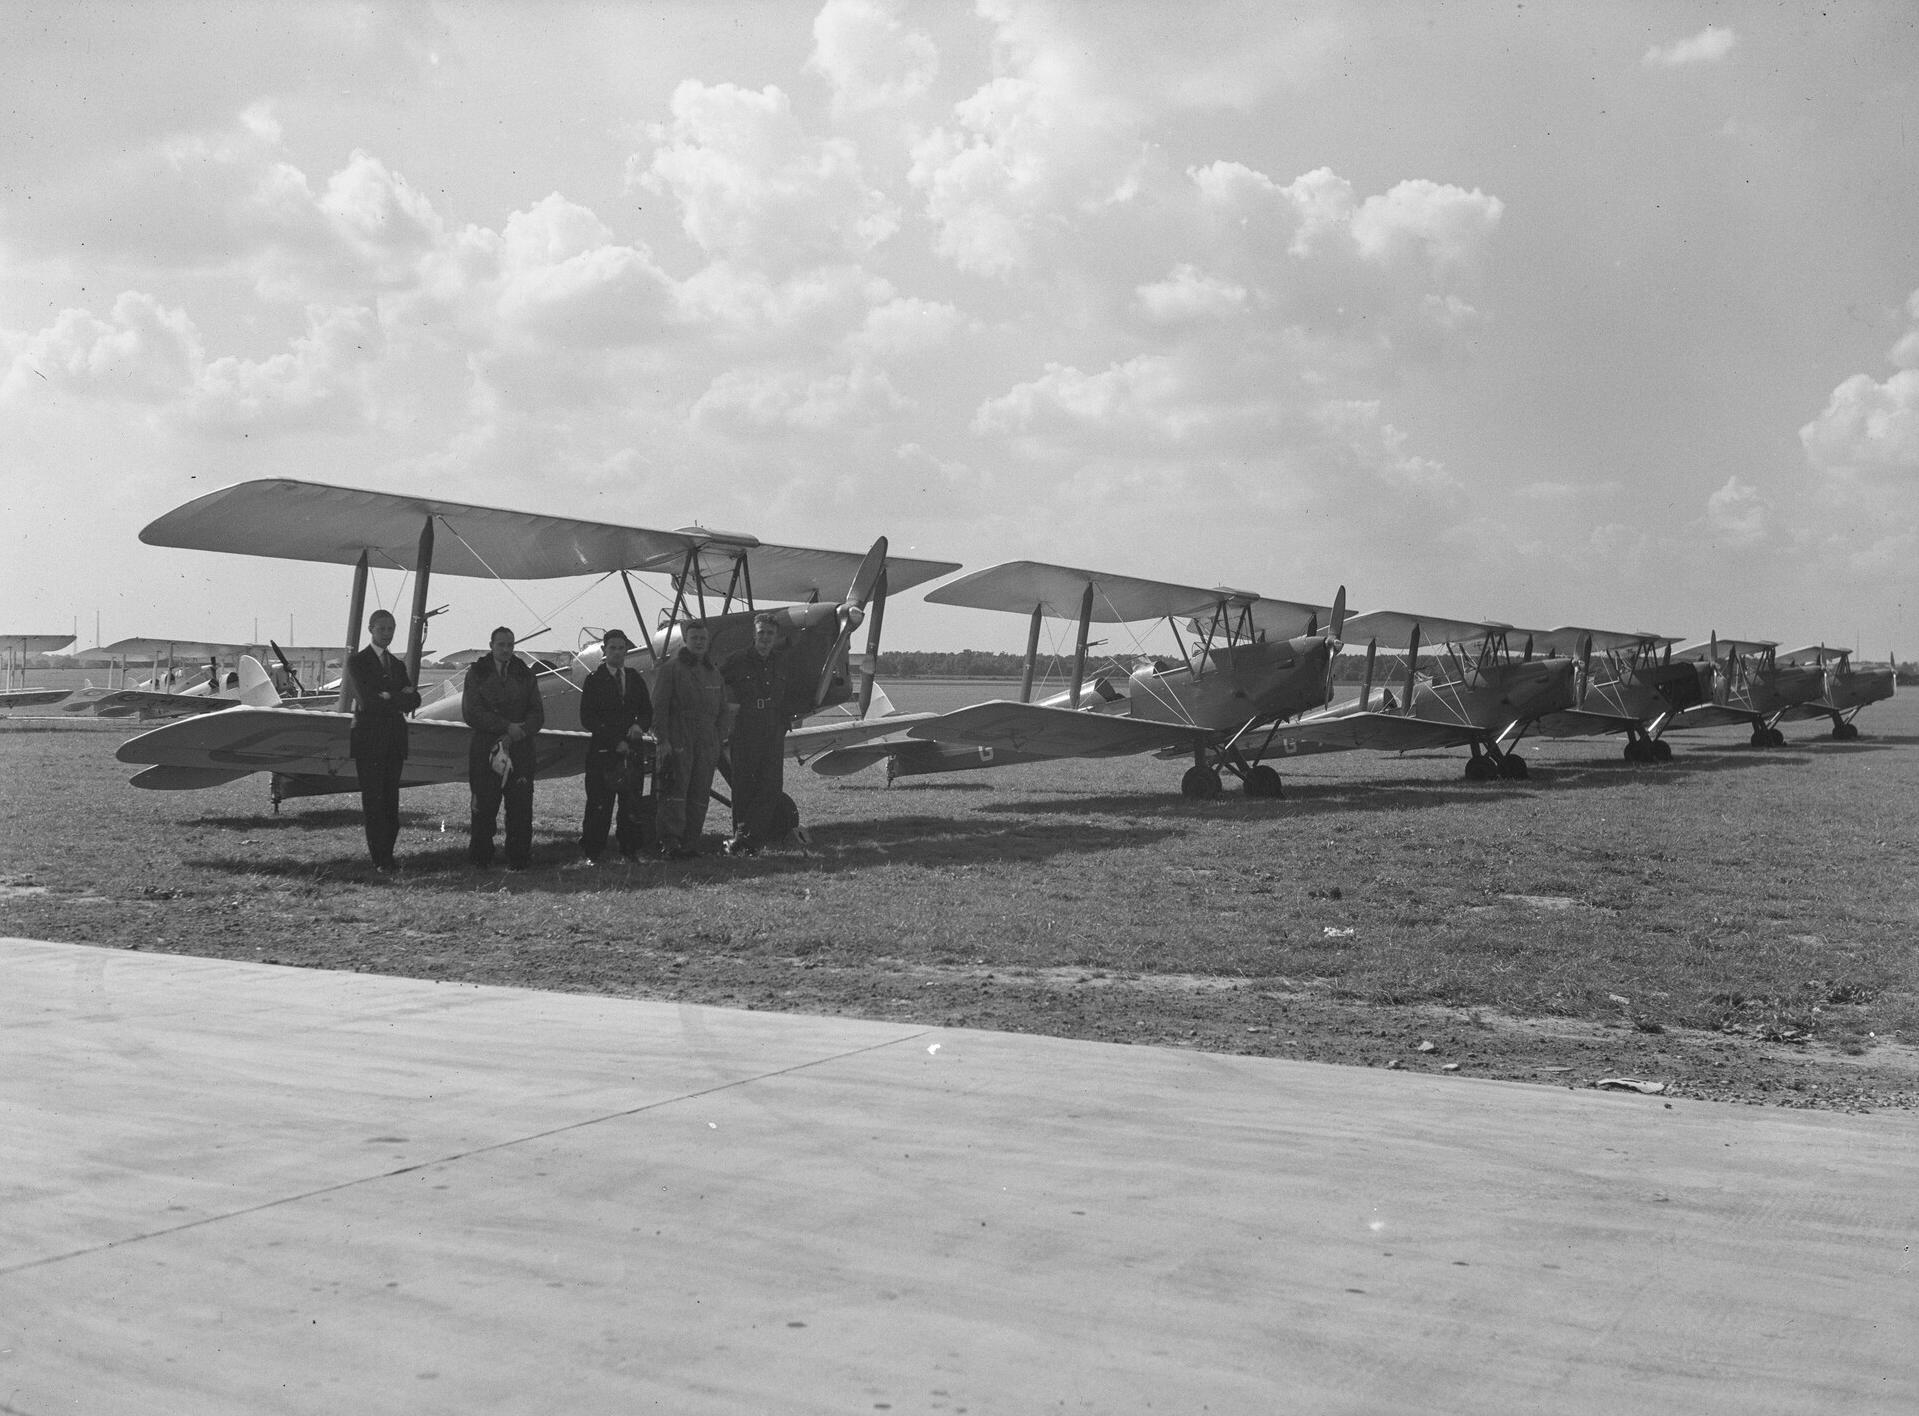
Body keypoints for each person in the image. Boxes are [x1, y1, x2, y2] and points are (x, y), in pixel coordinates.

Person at [462, 625, 544, 870]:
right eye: (501, 645)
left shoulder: (524, 673)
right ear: (491, 646)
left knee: (520, 809)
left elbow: (537, 713)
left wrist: (518, 732)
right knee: (484, 807)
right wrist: (505, 727)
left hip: (520, 749)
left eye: (510, 645)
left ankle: (519, 860)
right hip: (486, 748)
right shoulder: (477, 672)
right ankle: (481, 859)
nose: (506, 649)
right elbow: (471, 712)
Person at [346, 609, 421, 872]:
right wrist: (397, 696)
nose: (387, 633)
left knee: (390, 802)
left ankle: (387, 854)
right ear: (370, 629)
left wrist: (390, 697)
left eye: (391, 629)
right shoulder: (357, 662)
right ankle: (381, 858)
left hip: (394, 742)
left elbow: (415, 700)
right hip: (369, 742)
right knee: (374, 802)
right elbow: (367, 700)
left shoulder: (398, 665)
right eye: (382, 629)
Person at [651, 619, 728, 858]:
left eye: (703, 639)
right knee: (676, 790)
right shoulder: (671, 669)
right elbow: (659, 706)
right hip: (679, 736)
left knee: (700, 792)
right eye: (694, 638)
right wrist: (663, 740)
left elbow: (723, 709)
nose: (698, 643)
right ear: (686, 641)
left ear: (708, 642)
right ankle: (670, 842)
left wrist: (718, 739)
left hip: (707, 741)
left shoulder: (714, 672)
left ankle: (692, 842)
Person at [578, 627, 653, 863]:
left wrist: (640, 726)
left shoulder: (634, 678)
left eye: (622, 648)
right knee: (599, 805)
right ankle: (593, 853)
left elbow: (646, 710)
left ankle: (630, 850)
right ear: (604, 650)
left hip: (631, 750)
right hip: (603, 751)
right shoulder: (594, 680)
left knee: (631, 804)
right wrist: (614, 741)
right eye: (613, 648)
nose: (618, 653)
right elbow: (588, 718)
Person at [721, 613, 794, 856]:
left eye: (769, 633)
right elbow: (716, 686)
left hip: (772, 727)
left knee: (771, 785)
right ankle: (741, 839)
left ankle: (751, 838)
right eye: (761, 633)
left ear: (776, 637)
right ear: (754, 634)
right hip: (746, 727)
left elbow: (793, 692)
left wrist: (785, 721)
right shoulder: (736, 660)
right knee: (744, 785)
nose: (765, 638)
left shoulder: (782, 661)